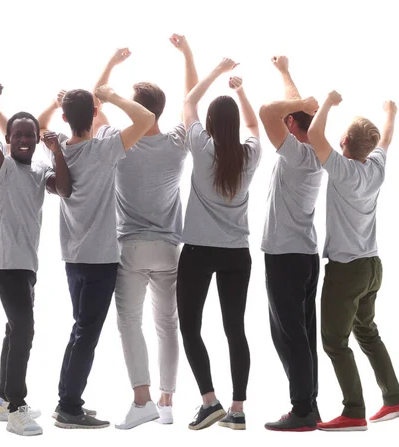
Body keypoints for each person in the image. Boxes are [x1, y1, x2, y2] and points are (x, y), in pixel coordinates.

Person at [90, 34, 197, 430]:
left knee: (129, 323)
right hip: (169, 248)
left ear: (134, 109)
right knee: (167, 324)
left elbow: (94, 106)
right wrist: (187, 53)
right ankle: (166, 401)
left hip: (131, 248)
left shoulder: (118, 144)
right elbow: (192, 99)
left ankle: (142, 400)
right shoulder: (177, 144)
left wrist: (110, 65)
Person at [37, 84, 155, 429]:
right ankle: (69, 405)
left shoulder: (56, 149)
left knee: (81, 330)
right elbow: (146, 118)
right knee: (86, 333)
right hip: (101, 258)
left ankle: (67, 401)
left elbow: (40, 122)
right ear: (93, 114)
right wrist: (113, 98)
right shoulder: (104, 149)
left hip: (73, 257)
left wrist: (54, 102)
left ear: (64, 117)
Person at [307, 92, 399, 431]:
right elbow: (387, 137)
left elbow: (313, 136)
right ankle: (393, 399)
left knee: (335, 341)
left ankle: (354, 411)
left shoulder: (342, 170)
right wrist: (390, 112)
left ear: (344, 142)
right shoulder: (376, 168)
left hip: (347, 271)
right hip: (372, 268)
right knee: (367, 331)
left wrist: (329, 103)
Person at [0, 83, 72, 436]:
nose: (23, 139)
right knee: (25, 328)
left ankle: (4, 400)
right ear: (8, 138)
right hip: (4, 261)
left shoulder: (38, 168)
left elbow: (64, 188)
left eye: (29, 135)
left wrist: (57, 149)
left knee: (15, 328)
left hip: (27, 263)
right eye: (17, 134)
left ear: (35, 138)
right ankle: (17, 407)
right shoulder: (0, 166)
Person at [176, 58, 261, 431]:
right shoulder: (250, 155)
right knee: (235, 329)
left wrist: (213, 74)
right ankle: (238, 409)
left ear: (210, 125)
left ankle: (210, 402)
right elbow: (255, 125)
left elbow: (187, 104)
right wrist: (241, 91)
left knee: (190, 328)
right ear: (236, 126)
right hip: (236, 255)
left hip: (197, 251)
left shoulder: (201, 146)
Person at [258, 56, 323, 431]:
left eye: (289, 119)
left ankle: (301, 411)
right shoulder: (313, 147)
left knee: (289, 335)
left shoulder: (297, 154)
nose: (283, 122)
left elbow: (269, 112)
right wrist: (285, 73)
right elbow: (290, 112)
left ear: (292, 125)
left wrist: (300, 103)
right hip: (304, 254)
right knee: (302, 333)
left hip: (286, 256)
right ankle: (309, 405)